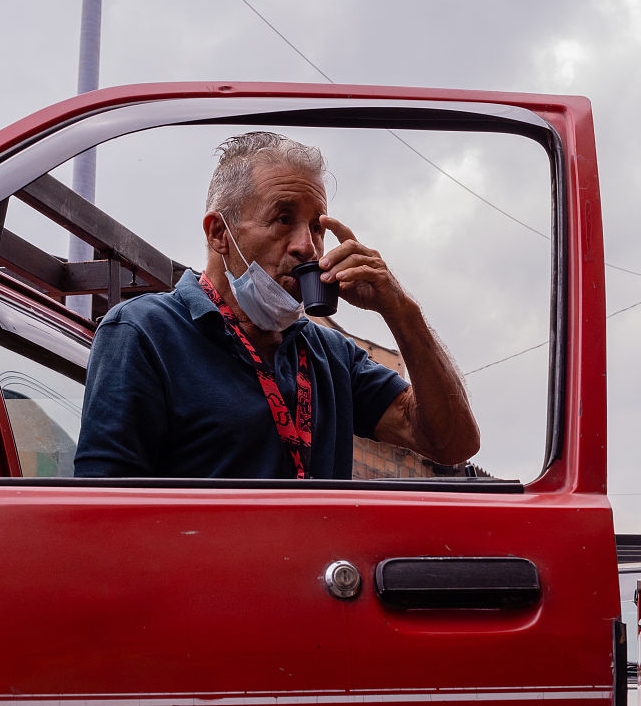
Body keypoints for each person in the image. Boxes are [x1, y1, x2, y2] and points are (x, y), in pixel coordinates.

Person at [74, 131, 479, 478]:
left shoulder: (329, 355)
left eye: (316, 227)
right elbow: (103, 506)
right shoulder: (144, 331)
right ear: (219, 233)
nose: (308, 246)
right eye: (284, 219)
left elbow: (452, 444)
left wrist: (401, 311)